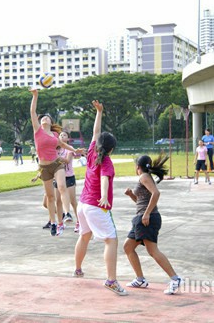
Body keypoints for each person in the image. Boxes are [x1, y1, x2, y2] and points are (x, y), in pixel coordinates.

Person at [73, 100, 128, 296]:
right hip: (96, 205)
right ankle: (111, 281)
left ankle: (78, 269)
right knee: (111, 239)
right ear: (111, 149)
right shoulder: (106, 161)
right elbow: (105, 178)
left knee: (85, 236)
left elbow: (96, 133)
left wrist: (99, 113)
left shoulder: (91, 153)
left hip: (83, 205)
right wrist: (104, 196)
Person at [123, 155, 183, 295]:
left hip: (147, 219)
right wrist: (131, 194)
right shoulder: (145, 177)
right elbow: (141, 201)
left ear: (138, 166)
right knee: (128, 247)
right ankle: (140, 279)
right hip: (142, 218)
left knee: (152, 250)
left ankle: (175, 279)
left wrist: (147, 213)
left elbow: (156, 193)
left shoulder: (144, 176)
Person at [30, 88, 84, 237]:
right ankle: (54, 222)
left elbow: (64, 145)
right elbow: (33, 112)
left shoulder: (54, 135)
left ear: (51, 122)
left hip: (56, 164)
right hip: (44, 167)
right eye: (43, 118)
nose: (44, 119)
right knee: (50, 197)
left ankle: (67, 214)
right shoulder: (37, 131)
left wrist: (75, 150)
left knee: (61, 187)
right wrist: (35, 96)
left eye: (47, 118)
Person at [53, 131, 79, 232]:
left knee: (73, 201)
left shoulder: (69, 149)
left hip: (69, 177)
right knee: (58, 201)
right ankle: (60, 223)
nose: (62, 136)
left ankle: (79, 222)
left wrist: (55, 157)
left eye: (64, 135)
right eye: (60, 135)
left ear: (68, 139)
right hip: (57, 177)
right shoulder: (56, 148)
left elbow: (67, 160)